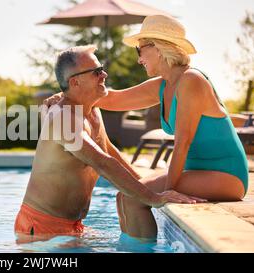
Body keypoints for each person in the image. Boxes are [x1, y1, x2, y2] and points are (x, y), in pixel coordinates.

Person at [43, 15, 248, 239]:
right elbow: (112, 99)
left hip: (227, 175)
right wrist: (66, 95)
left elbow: (183, 143)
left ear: (158, 48)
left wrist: (168, 190)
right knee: (125, 194)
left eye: (140, 50)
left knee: (133, 196)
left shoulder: (191, 80)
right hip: (199, 172)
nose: (139, 59)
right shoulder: (163, 85)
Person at [14, 45, 205, 244]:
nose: (104, 74)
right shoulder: (63, 119)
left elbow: (110, 152)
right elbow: (102, 162)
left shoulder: (93, 111)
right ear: (75, 82)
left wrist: (144, 184)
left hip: (73, 226)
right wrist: (153, 198)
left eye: (102, 68)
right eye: (96, 72)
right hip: (41, 229)